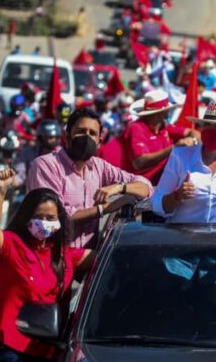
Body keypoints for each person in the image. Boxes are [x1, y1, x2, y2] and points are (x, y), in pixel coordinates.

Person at [0, 169, 95, 362]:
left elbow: (105, 257)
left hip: (47, 352)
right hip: (7, 348)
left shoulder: (65, 256)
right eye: (38, 216)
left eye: (50, 218)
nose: (44, 222)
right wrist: (0, 191)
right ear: (26, 218)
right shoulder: (11, 246)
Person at [27, 108, 152, 247]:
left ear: (99, 142)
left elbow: (146, 186)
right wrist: (105, 208)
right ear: (67, 136)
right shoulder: (46, 165)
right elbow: (57, 218)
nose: (86, 137)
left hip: (88, 259)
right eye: (81, 131)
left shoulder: (99, 166)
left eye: (92, 133)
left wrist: (120, 187)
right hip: (53, 257)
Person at [122, 90, 200, 184]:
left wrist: (193, 140)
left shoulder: (164, 126)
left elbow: (192, 132)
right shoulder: (136, 128)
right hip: (142, 186)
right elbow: (139, 162)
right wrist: (173, 148)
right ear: (161, 112)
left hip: (163, 184)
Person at [14, 119, 62, 190]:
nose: (48, 141)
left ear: (57, 137)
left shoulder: (63, 154)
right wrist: (12, 180)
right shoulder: (27, 152)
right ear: (40, 137)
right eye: (45, 137)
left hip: (57, 194)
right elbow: (20, 175)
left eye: (51, 137)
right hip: (32, 193)